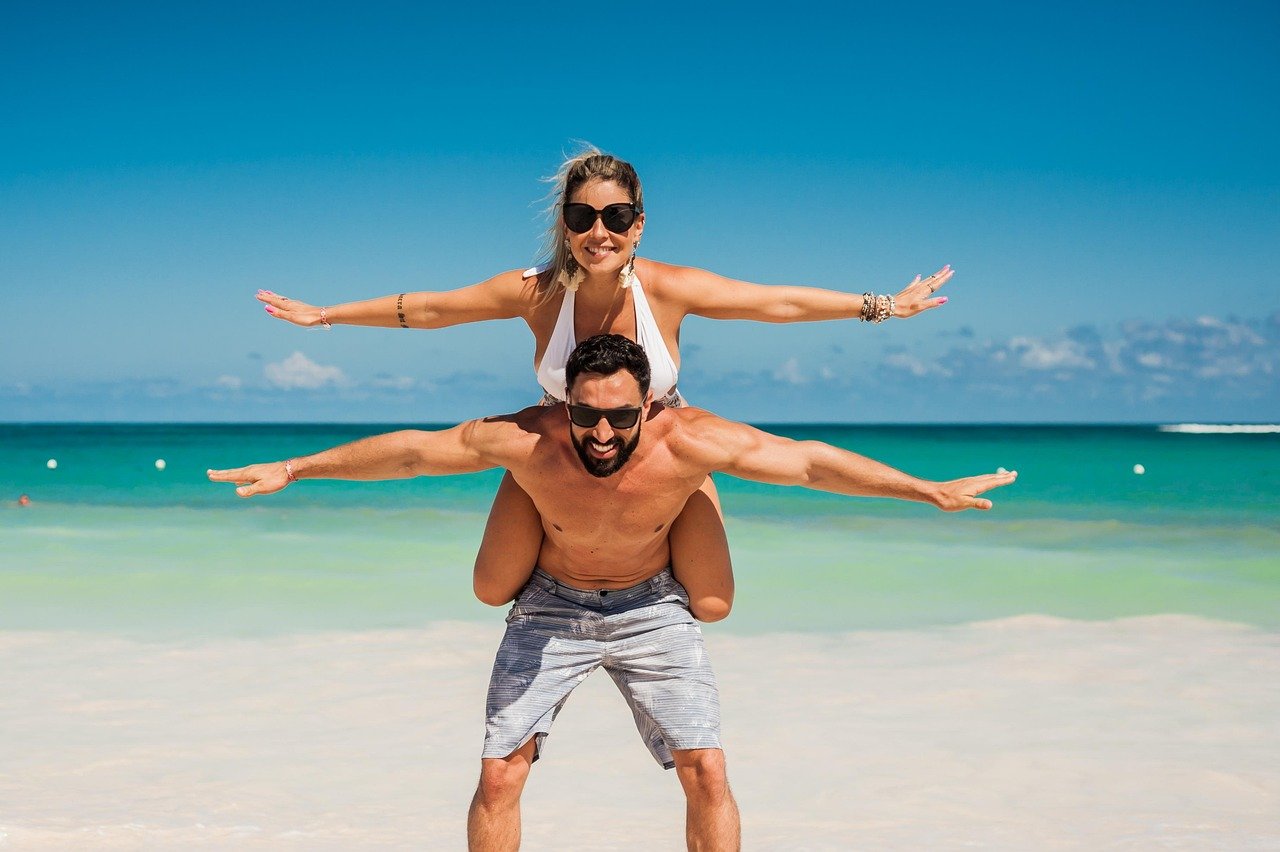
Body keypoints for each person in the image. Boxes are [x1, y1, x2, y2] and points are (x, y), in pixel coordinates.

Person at [208, 334, 1015, 851]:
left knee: (706, 769)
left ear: (649, 405)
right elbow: (415, 453)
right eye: (586, 416)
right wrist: (296, 467)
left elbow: (807, 463)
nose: (601, 434)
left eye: (621, 418)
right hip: (549, 602)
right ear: (565, 403)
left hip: (651, 604)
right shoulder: (527, 436)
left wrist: (925, 490)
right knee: (499, 774)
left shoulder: (689, 438)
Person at [254, 146, 954, 623]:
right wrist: (326, 316)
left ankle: (642, 561)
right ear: (565, 225)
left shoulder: (669, 288)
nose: (599, 231)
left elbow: (778, 303)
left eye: (616, 217)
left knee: (713, 605)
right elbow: (432, 309)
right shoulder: (534, 292)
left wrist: (882, 306)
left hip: (660, 446)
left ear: (637, 225)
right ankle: (569, 577)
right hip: (559, 446)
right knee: (491, 588)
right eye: (583, 216)